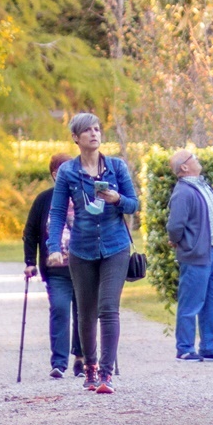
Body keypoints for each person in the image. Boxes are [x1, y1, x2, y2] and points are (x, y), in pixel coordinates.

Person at [46, 112, 139, 395]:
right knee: (85, 313)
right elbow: (59, 211)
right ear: (76, 137)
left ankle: (107, 374)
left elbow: (134, 205)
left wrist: (117, 199)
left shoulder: (116, 167)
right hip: (81, 249)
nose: (94, 134)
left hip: (115, 246)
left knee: (108, 308)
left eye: (97, 129)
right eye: (87, 130)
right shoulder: (67, 172)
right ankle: (90, 369)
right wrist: (52, 249)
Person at [165, 149, 213, 362]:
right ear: (184, 167)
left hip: (212, 251)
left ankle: (209, 346)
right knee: (191, 303)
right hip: (196, 254)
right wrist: (179, 240)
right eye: (193, 157)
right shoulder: (183, 191)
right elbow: (175, 225)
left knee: (212, 303)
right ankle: (184, 348)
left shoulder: (200, 185)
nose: (197, 159)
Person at [23, 153, 83, 379]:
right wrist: (30, 262)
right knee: (59, 309)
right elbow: (30, 233)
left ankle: (81, 358)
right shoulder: (44, 199)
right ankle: (59, 362)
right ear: (55, 174)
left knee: (83, 313)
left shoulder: (84, 196)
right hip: (56, 270)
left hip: (84, 267)